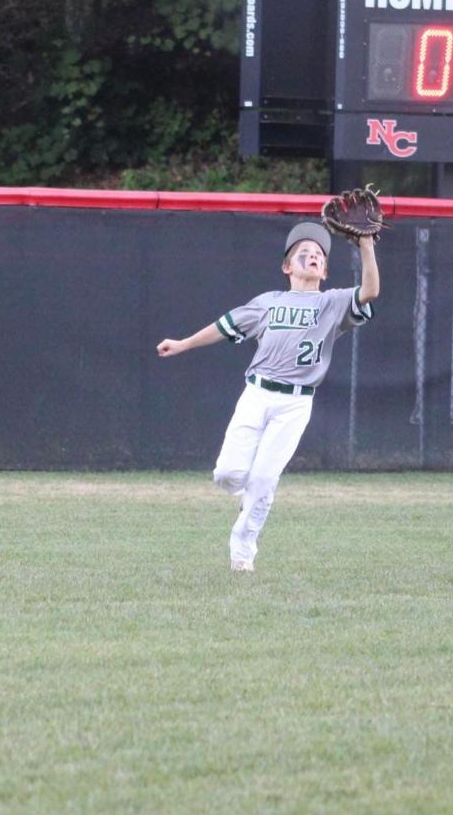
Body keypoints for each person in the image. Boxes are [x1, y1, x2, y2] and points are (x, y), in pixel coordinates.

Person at [156, 221, 379, 573]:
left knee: (263, 480)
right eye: (302, 252)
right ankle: (245, 498)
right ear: (286, 267)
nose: (312, 255)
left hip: (295, 403)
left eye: (318, 254)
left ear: (324, 270)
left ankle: (242, 553)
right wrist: (184, 343)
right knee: (228, 475)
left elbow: (369, 291)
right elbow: (224, 325)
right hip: (257, 394)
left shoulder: (333, 302)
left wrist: (366, 245)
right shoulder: (268, 303)